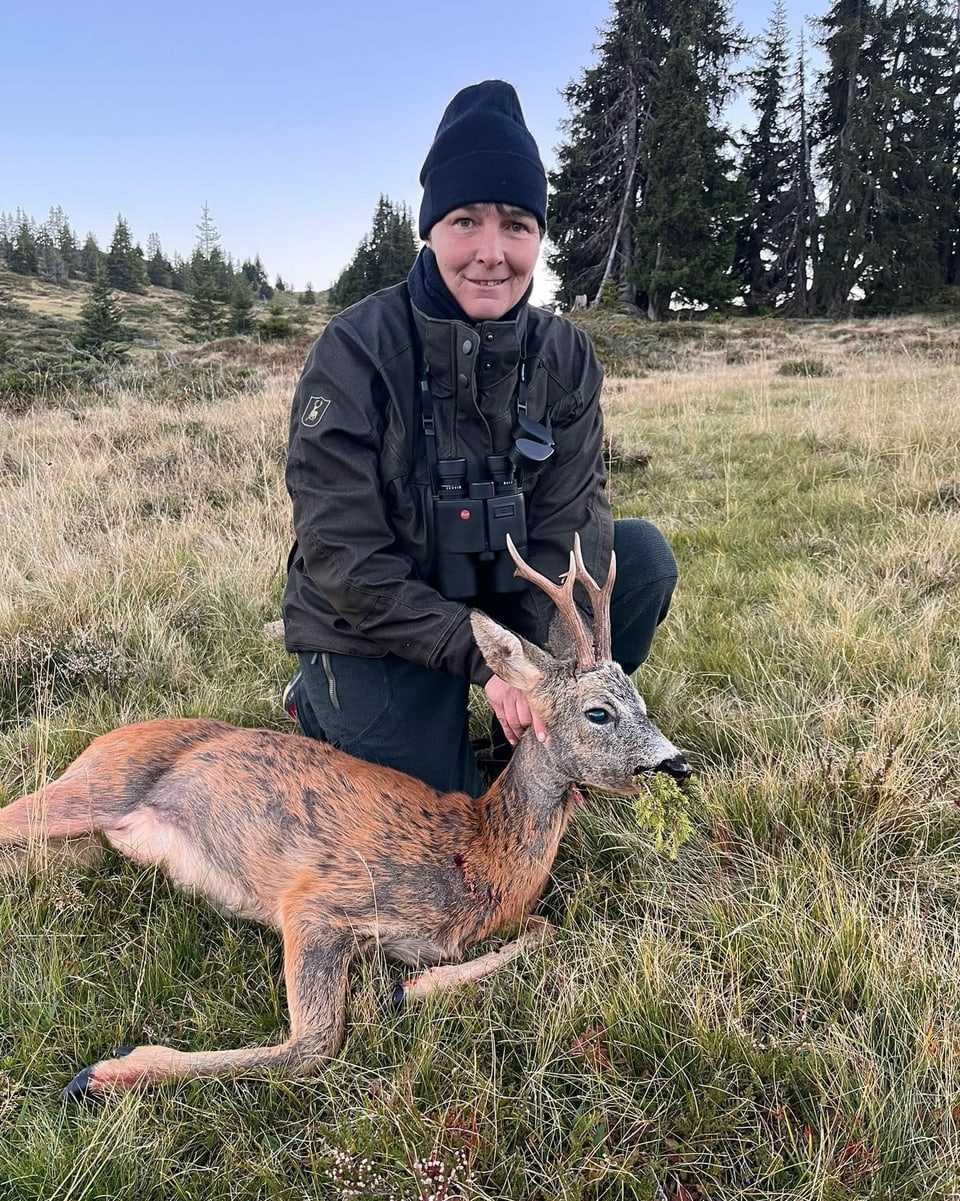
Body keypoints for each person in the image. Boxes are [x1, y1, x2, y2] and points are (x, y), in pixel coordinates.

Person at [282, 79, 678, 799]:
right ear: (430, 228)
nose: (491, 253)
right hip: (373, 623)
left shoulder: (565, 357)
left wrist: (541, 683)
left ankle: (520, 736)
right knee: (438, 813)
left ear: (538, 238)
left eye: (517, 225)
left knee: (640, 559)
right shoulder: (354, 353)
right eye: (466, 221)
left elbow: (571, 526)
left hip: (499, 602)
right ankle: (319, 702)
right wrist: (487, 660)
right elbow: (343, 558)